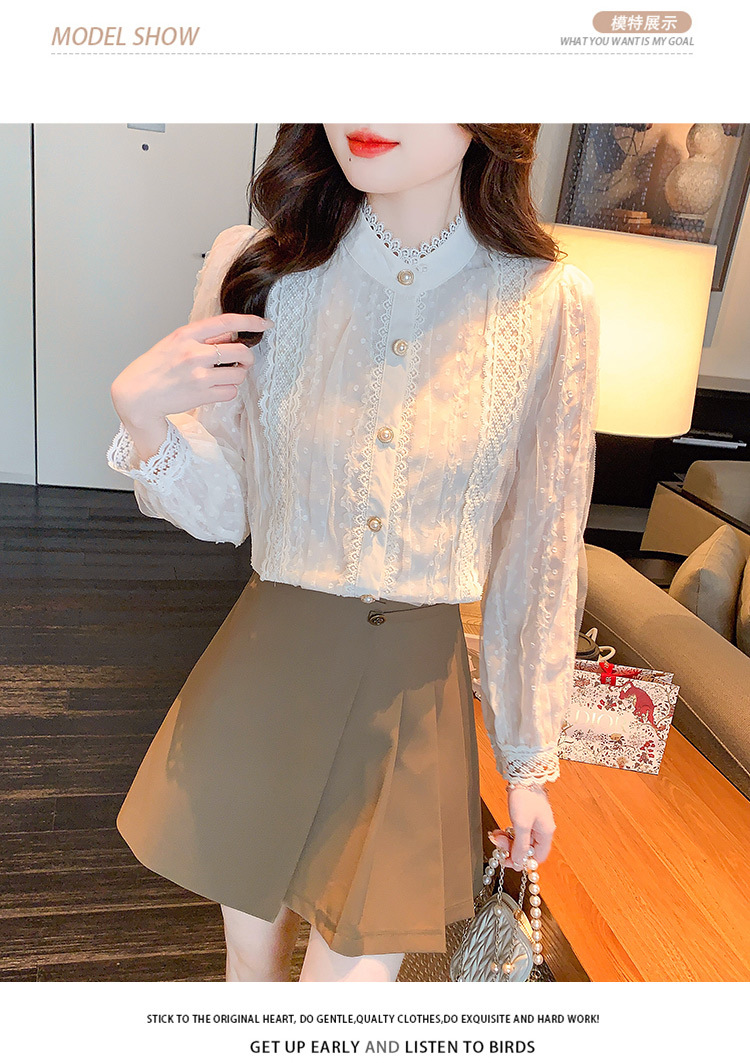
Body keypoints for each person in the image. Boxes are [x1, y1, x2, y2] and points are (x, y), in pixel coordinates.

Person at [106, 123, 600, 983]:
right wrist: (145, 422)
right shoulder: (261, 265)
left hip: (412, 694)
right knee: (250, 969)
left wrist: (526, 759)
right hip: (268, 668)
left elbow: (541, 546)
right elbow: (227, 506)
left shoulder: (548, 303)